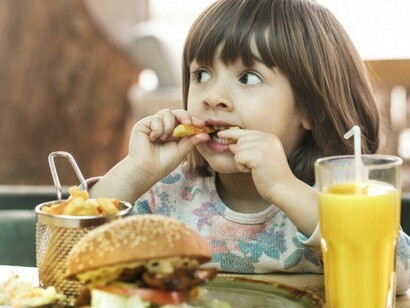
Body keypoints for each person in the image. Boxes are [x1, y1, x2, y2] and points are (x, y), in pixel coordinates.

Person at [90, 0, 410, 293]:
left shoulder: (337, 196)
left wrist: (283, 187)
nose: (212, 96)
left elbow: (399, 277)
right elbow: (66, 255)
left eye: (249, 78)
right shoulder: (167, 196)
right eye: (201, 74)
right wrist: (136, 171)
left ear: (311, 109)